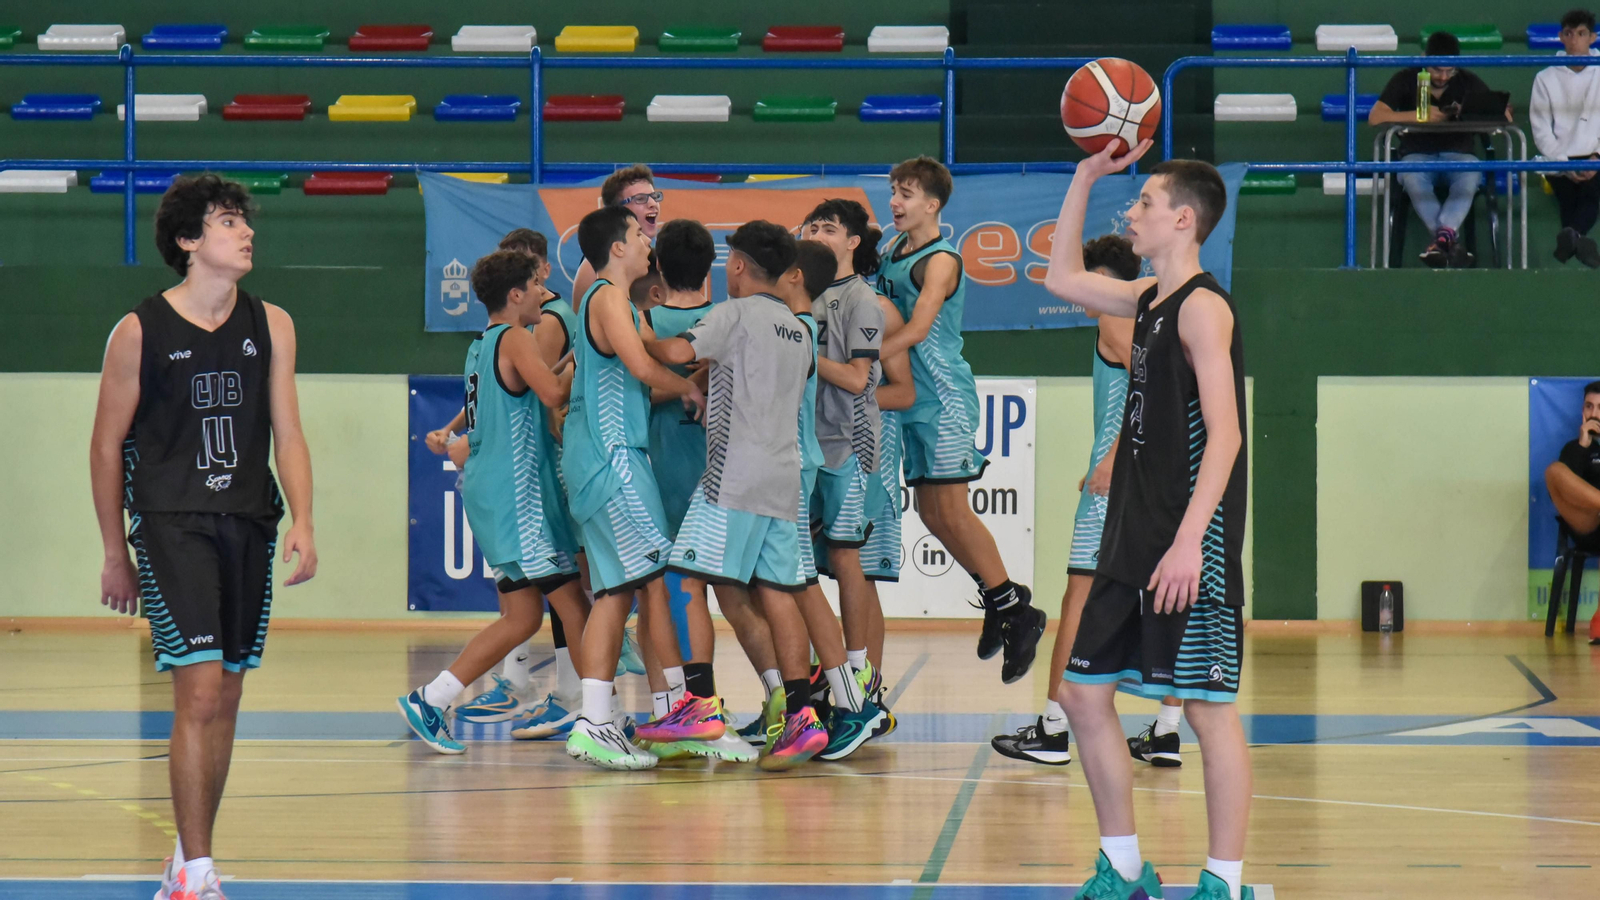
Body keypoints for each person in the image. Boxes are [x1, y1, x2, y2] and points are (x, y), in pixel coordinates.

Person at [91, 174, 317, 900]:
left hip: (249, 521)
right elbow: (103, 448)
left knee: (226, 695)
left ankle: (193, 858)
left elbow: (289, 431)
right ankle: (195, 871)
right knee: (196, 694)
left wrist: (305, 522)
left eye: (244, 222)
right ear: (189, 241)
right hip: (171, 523)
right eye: (226, 222)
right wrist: (113, 551)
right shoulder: (138, 331)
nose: (245, 232)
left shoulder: (271, 322)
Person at [1043, 141, 1253, 900]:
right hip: (1131, 534)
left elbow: (1225, 434)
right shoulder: (1146, 299)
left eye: (1145, 204)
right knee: (1081, 694)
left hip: (1187, 540)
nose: (1131, 214)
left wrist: (1193, 542)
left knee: (1205, 706)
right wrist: (1082, 175)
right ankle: (1125, 867)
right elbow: (1060, 278)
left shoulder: (1202, 307)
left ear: (1184, 220)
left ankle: (1223, 882)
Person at [992, 235, 1184, 769]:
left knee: (1078, 597)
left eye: (1085, 279)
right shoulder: (1157, 321)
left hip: (1118, 491)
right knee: (1164, 600)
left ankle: (1054, 729)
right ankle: (1167, 731)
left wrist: (1114, 457)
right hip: (1156, 483)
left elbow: (1152, 388)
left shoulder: (1114, 319)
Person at [654, 222, 832, 770]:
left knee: (686, 575)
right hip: (782, 476)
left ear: (736, 265)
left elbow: (675, 350)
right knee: (778, 591)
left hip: (730, 476)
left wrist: (628, 327)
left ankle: (699, 704)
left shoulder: (731, 315)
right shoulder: (799, 329)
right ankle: (801, 714)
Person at [398, 251, 592, 754]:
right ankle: (599, 714)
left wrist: (565, 363)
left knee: (523, 618)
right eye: (535, 287)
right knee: (573, 604)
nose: (542, 295)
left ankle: (431, 698)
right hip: (516, 495)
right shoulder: (515, 337)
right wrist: (589, 357)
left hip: (491, 490)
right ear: (515, 295)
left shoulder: (480, 345)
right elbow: (551, 393)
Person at [876, 156, 1044, 683]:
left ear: (933, 203)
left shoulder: (942, 259)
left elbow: (919, 328)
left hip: (944, 396)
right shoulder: (890, 251)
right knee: (930, 513)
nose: (895, 203)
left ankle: (1017, 611)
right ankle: (1004, 599)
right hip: (912, 399)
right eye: (893, 192)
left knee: (952, 508)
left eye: (906, 194)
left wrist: (865, 361)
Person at [561, 206, 705, 770]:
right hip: (611, 457)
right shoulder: (604, 297)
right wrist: (691, 391)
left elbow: (659, 347)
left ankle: (652, 713)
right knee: (630, 588)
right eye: (640, 235)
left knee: (629, 587)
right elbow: (645, 368)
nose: (650, 242)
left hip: (610, 455)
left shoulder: (622, 300)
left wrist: (708, 335)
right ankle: (600, 721)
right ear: (616, 248)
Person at [799, 201, 894, 757]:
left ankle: (857, 675)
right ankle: (824, 680)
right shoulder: (803, 294)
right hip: (806, 446)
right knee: (804, 569)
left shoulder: (860, 300)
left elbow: (859, 379)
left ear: (854, 241)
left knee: (845, 557)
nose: (815, 234)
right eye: (811, 226)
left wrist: (803, 356)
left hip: (848, 447)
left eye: (829, 228)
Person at [1368, 31, 1508, 268]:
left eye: (1449, 70)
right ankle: (1449, 241)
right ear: (1424, 59)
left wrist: (1472, 110)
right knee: (1412, 176)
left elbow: (1504, 116)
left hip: (1459, 154)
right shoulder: (1405, 78)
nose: (1443, 77)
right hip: (1416, 155)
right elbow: (1375, 117)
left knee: (1471, 171)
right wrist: (1418, 117)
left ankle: (1442, 241)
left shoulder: (1467, 80)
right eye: (1436, 70)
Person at [1531, 9, 1600, 268]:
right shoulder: (1545, 78)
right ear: (1561, 36)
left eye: (1581, 34)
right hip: (1560, 157)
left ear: (1592, 37)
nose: (1575, 41)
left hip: (1596, 156)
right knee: (1568, 192)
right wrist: (1563, 161)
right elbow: (1541, 130)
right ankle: (1579, 239)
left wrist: (1596, 157)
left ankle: (1571, 236)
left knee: (1591, 192)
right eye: (1569, 34)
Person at [571, 165, 662, 300]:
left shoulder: (645, 254)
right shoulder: (594, 265)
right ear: (618, 210)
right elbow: (584, 319)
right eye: (641, 199)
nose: (653, 203)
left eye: (654, 196)